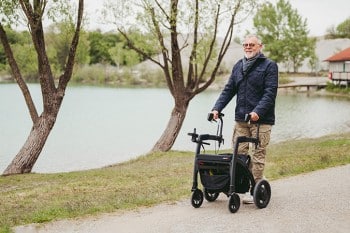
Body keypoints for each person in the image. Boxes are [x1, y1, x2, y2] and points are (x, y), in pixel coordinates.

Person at [211, 34, 278, 204]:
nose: (248, 47)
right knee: (239, 156)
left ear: (260, 46)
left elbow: (270, 93)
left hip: (261, 121)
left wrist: (258, 112)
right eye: (245, 44)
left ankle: (255, 187)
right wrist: (216, 108)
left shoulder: (269, 66)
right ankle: (244, 184)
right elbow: (228, 90)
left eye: (252, 45)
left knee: (257, 155)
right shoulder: (238, 66)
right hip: (241, 119)